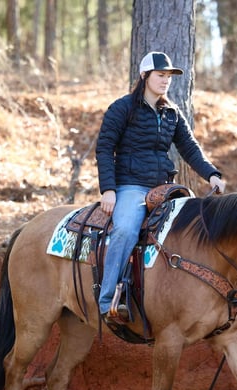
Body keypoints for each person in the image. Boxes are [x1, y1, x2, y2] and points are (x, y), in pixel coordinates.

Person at [95, 51, 226, 324]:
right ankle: (107, 300)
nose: (166, 81)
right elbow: (105, 148)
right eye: (160, 75)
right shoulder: (122, 109)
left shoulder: (172, 113)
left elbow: (190, 149)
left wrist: (211, 174)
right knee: (125, 230)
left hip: (165, 188)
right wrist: (109, 189)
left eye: (168, 76)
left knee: (195, 228)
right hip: (131, 186)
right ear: (144, 76)